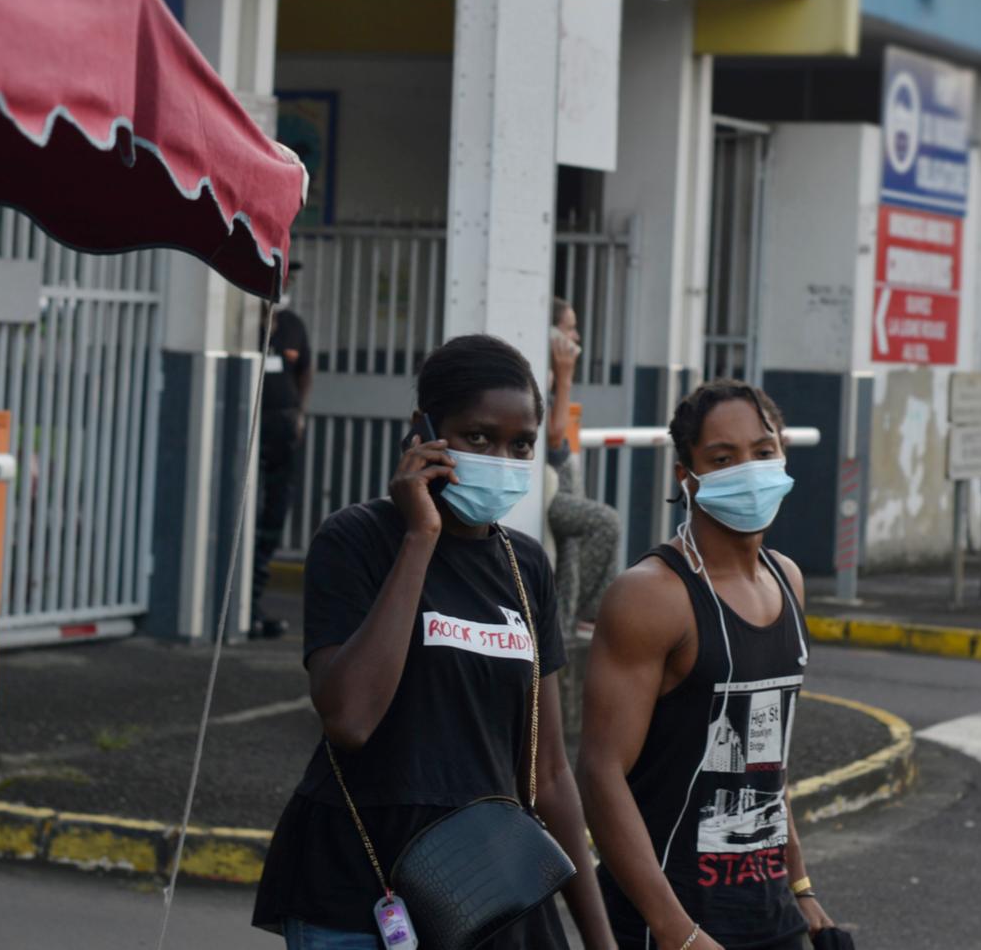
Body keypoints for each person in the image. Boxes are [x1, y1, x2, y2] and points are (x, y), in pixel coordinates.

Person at [252, 333, 613, 950]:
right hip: (356, 894)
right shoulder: (356, 541)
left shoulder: (526, 568)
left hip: (484, 890)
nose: (501, 456)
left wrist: (600, 939)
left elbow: (548, 772)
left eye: (520, 443)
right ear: (422, 431)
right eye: (478, 437)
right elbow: (349, 717)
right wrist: (421, 535)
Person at [578, 380, 838, 950]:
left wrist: (802, 887)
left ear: (783, 452)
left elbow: (767, 765)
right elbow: (599, 774)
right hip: (667, 925)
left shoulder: (787, 579)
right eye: (723, 458)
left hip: (772, 919)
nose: (748, 469)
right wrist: (676, 932)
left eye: (762, 451)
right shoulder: (652, 596)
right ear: (686, 477)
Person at [547, 296, 623, 636]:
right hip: (546, 495)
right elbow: (552, 437)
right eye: (569, 329)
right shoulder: (540, 378)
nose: (576, 338)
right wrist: (564, 377)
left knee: (572, 556)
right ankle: (588, 614)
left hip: (561, 488)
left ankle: (569, 623)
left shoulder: (549, 378)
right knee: (604, 522)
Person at [252, 261, 311, 640]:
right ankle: (242, 606)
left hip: (282, 431)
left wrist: (300, 414)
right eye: (279, 275)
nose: (284, 282)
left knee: (274, 514)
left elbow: (305, 370)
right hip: (252, 430)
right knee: (246, 516)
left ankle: (254, 600)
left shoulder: (292, 323)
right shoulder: (245, 318)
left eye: (287, 276)